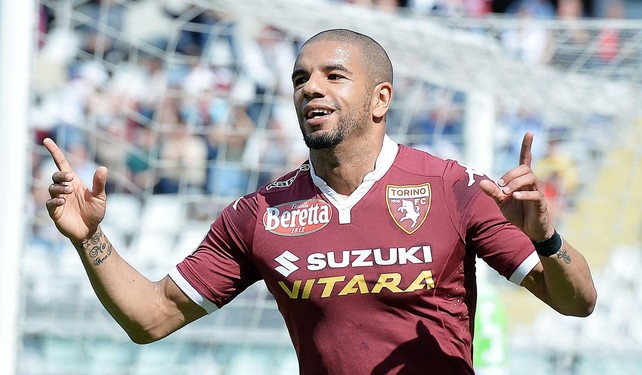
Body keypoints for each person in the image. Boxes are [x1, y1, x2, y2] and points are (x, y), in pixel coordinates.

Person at [43, 29, 596, 374]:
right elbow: (151, 318)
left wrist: (546, 240)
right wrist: (90, 237)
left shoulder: (455, 189)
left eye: (334, 75)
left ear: (380, 99)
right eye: (301, 78)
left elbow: (577, 302)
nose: (311, 88)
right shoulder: (259, 213)